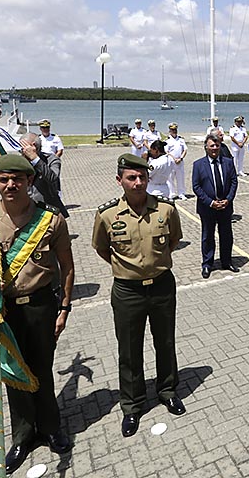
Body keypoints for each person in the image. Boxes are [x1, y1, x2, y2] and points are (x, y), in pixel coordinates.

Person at [92, 153, 185, 438]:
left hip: (161, 285)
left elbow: (174, 240)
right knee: (129, 349)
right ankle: (132, 405)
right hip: (127, 290)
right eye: (131, 177)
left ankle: (167, 390)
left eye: (142, 177)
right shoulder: (107, 215)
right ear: (119, 180)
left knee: (165, 341)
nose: (138, 182)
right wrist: (128, 268)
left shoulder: (166, 210)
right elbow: (102, 249)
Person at [0, 154, 75, 473]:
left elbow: (66, 267)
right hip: (6, 309)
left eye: (18, 179)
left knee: (42, 369)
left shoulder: (51, 220)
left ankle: (51, 428)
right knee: (14, 373)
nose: (11, 184)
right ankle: (22, 436)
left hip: (42, 306)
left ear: (29, 181)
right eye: (4, 179)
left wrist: (64, 308)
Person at [190, 133, 239, 277]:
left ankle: (227, 262)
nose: (215, 148)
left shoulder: (228, 162)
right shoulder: (198, 165)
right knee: (207, 237)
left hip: (225, 206)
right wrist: (211, 203)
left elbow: (234, 182)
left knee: (226, 236)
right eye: (212, 145)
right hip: (207, 208)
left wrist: (228, 199)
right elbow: (196, 187)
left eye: (217, 145)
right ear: (206, 147)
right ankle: (207, 264)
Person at [19, 132, 69, 217]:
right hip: (26, 212)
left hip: (48, 212)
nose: (22, 152)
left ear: (34, 146)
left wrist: (35, 159)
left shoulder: (51, 160)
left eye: (24, 149)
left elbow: (53, 179)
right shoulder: (19, 162)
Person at [164, 123, 188, 200]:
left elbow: (185, 150)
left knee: (180, 178)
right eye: (172, 130)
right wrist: (174, 158)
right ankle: (171, 193)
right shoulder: (167, 141)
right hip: (171, 162)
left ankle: (181, 193)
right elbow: (166, 151)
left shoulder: (181, 140)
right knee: (170, 178)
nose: (174, 131)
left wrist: (180, 158)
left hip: (180, 161)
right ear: (169, 131)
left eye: (175, 130)